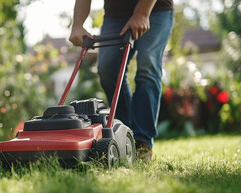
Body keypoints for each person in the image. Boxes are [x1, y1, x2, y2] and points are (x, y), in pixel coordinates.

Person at [69, 0, 174, 162]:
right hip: (115, 14)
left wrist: (141, 13)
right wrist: (77, 24)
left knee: (147, 66)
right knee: (107, 70)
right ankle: (125, 135)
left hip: (155, 9)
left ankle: (142, 142)